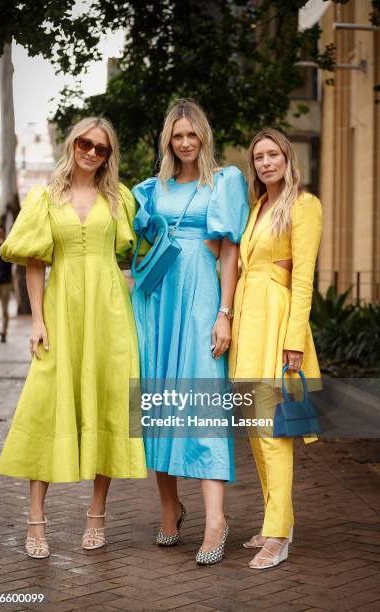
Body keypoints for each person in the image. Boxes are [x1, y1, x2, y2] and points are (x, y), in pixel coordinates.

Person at [0, 117, 147, 559]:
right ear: (73, 144)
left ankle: (97, 516)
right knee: (46, 404)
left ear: (108, 155)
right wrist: (37, 320)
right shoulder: (45, 197)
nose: (92, 153)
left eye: (101, 148)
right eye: (86, 143)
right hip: (61, 312)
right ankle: (36, 521)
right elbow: (34, 264)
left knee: (109, 401)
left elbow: (142, 247)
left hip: (109, 313)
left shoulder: (118, 198)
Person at [132, 99, 249, 565]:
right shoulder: (152, 189)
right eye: (176, 136)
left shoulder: (224, 182)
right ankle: (169, 509)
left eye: (191, 135)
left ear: (203, 136)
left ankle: (216, 521)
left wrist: (225, 313)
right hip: (157, 302)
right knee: (158, 401)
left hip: (201, 299)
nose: (184, 143)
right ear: (168, 141)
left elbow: (229, 253)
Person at [229, 127, 322, 570]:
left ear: (287, 158)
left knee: (273, 432)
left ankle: (280, 533)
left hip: (277, 324)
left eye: (273, 154)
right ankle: (273, 520)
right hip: (249, 322)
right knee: (254, 429)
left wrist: (293, 343)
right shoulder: (257, 207)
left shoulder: (304, 206)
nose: (266, 162)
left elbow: (302, 279)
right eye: (259, 157)